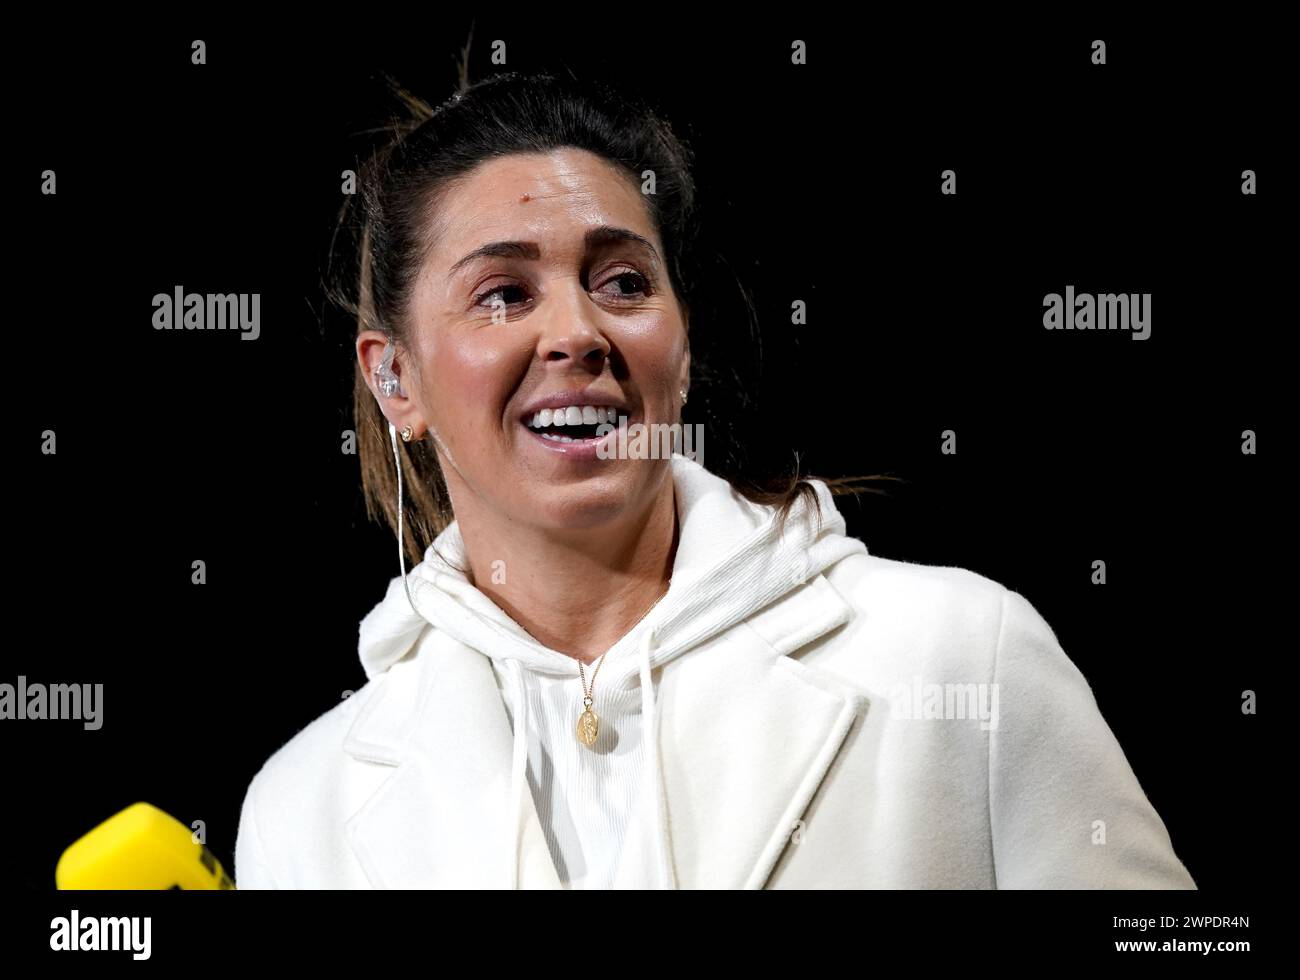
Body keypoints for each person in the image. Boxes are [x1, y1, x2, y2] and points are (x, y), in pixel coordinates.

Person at [234, 71, 1196, 889]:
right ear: (393, 377)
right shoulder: (303, 806)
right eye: (504, 294)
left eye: (622, 282)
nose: (576, 332)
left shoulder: (961, 658)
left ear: (681, 350)